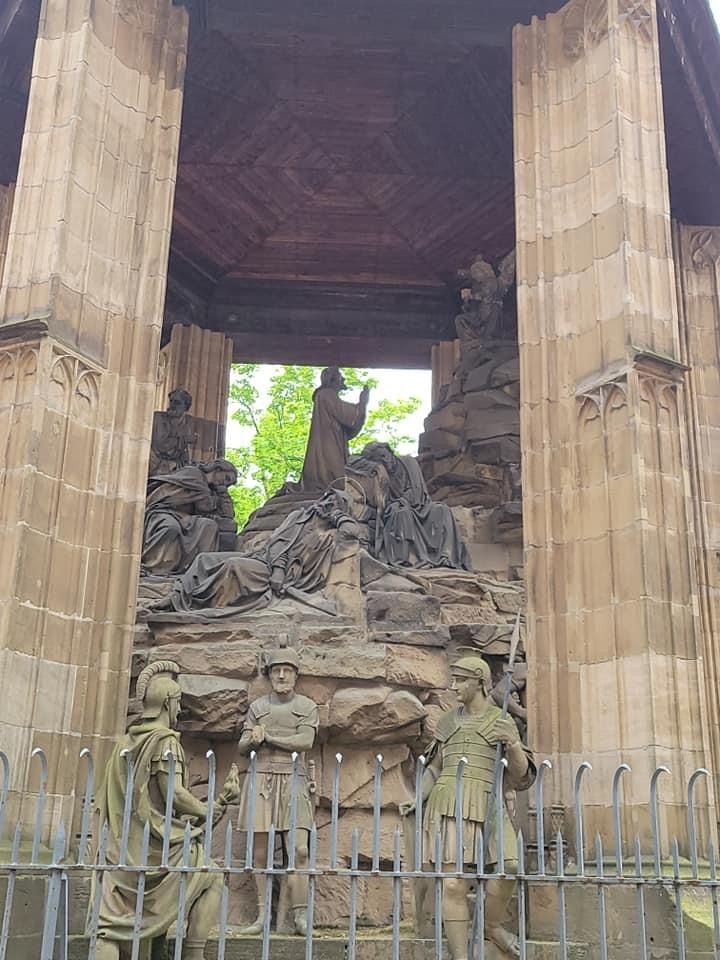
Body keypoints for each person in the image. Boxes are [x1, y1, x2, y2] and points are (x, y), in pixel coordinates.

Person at [91, 660, 239, 960]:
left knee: (112, 924)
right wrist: (210, 807)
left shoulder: (125, 743)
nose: (179, 710)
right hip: (153, 848)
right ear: (169, 703)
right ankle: (193, 955)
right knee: (211, 878)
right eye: (178, 703)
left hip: (121, 846)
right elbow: (175, 794)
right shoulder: (166, 741)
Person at [400, 655, 535, 959]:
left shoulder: (502, 720)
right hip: (448, 800)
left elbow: (521, 775)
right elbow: (434, 768)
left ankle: (490, 924)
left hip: (488, 799)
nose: (455, 686)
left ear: (480, 682)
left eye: (461, 680)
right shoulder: (448, 721)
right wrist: (418, 796)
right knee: (453, 885)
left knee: (509, 866)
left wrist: (513, 744)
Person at [145, 488, 362, 617]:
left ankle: (203, 606)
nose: (324, 502)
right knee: (204, 559)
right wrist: (273, 563)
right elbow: (279, 542)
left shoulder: (328, 533)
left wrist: (336, 516)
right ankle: (176, 599)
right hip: (265, 559)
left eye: (332, 501)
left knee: (234, 567)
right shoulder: (298, 516)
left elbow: (353, 532)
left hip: (279, 573)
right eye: (326, 497)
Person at [237, 648, 319, 935]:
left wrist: (268, 735)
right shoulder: (259, 706)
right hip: (261, 775)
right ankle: (262, 917)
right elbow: (242, 745)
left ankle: (300, 916)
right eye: (275, 670)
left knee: (299, 849)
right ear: (269, 674)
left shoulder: (307, 706)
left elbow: (305, 740)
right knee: (259, 854)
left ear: (296, 674)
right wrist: (253, 739)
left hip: (293, 776)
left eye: (287, 670)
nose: (281, 675)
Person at [348, 442, 471, 570]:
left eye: (385, 455)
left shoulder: (409, 462)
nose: (385, 460)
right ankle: (407, 561)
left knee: (442, 510)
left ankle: (446, 557)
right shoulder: (379, 473)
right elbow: (351, 462)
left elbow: (418, 492)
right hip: (398, 510)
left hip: (419, 505)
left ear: (390, 452)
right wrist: (376, 467)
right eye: (379, 459)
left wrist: (406, 500)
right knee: (401, 513)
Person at [142, 459, 238, 575]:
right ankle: (155, 568)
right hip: (162, 511)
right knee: (170, 527)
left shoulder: (211, 490)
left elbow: (228, 516)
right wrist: (218, 496)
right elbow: (205, 506)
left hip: (183, 517)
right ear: (218, 469)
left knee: (208, 525)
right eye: (226, 478)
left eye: (229, 484)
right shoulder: (193, 474)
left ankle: (197, 572)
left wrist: (223, 494)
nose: (225, 484)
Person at [300, 367, 369, 491]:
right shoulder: (326, 394)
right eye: (340, 376)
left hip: (331, 440)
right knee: (335, 476)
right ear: (332, 379)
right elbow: (345, 414)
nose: (343, 379)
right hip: (329, 444)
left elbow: (347, 425)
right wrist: (362, 403)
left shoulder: (324, 396)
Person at [148, 387, 197, 476]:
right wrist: (183, 439)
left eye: (177, 403)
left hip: (173, 466)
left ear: (186, 407)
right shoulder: (158, 418)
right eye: (171, 401)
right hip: (154, 462)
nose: (172, 405)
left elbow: (184, 454)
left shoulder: (186, 426)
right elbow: (160, 445)